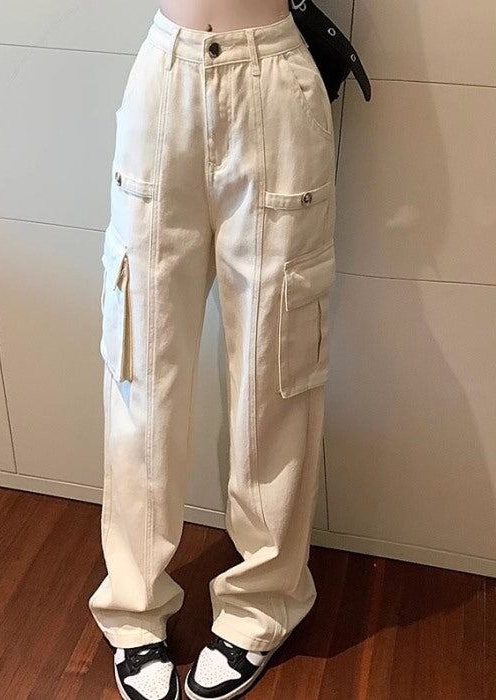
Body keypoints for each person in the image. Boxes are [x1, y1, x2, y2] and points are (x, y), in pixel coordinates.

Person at [88, 1, 337, 697]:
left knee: (276, 366)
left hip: (275, 84)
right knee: (140, 361)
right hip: (165, 80)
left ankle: (263, 602)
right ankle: (133, 603)